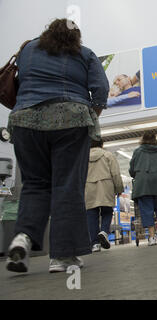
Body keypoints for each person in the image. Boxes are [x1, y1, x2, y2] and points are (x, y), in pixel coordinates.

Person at [5, 19, 109, 273]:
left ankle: (23, 238)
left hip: (25, 121)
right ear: (77, 37)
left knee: (35, 184)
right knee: (66, 186)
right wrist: (90, 115)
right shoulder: (85, 54)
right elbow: (101, 89)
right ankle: (63, 257)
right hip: (70, 121)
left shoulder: (28, 49)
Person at [129, 132, 157, 246]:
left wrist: (138, 175)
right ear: (155, 139)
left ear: (142, 139)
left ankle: (152, 238)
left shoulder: (137, 151)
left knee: (147, 210)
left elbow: (132, 170)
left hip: (143, 184)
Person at [85, 139, 124, 252]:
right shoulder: (108, 155)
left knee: (91, 215)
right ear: (101, 144)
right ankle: (104, 231)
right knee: (107, 211)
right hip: (106, 186)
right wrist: (119, 188)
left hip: (88, 187)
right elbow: (115, 174)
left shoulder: (83, 157)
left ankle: (95, 244)